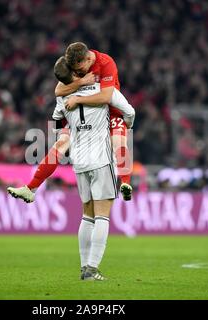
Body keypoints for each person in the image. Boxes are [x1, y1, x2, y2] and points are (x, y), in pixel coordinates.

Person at [8, 42, 134, 203]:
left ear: (88, 59)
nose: (78, 73)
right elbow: (58, 90)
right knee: (60, 144)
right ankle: (30, 188)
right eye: (75, 71)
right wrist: (80, 83)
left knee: (118, 142)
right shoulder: (77, 66)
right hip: (87, 117)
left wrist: (78, 100)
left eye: (79, 70)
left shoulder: (105, 63)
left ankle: (125, 184)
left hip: (111, 112)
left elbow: (106, 97)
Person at [48, 57, 135, 280]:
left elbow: (57, 116)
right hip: (101, 159)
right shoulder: (103, 90)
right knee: (102, 216)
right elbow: (129, 111)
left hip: (79, 161)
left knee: (86, 216)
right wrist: (127, 122)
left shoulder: (65, 95)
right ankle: (92, 269)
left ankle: (83, 266)